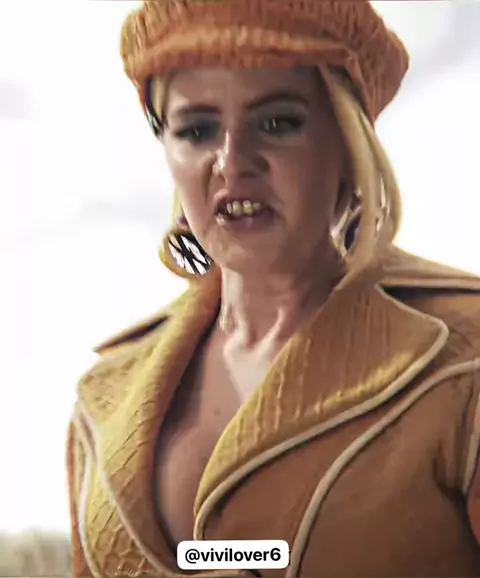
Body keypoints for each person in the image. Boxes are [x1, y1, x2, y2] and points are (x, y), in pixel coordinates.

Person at [66, 1, 480, 576]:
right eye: (197, 130)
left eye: (278, 123)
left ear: (348, 143)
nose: (233, 163)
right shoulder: (102, 394)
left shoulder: (463, 360)